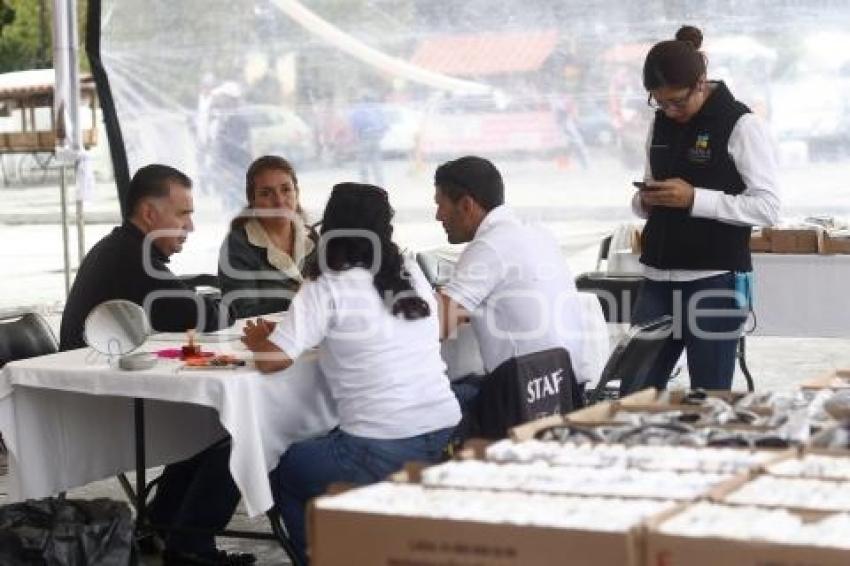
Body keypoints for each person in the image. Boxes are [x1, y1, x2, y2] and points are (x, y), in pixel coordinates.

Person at [241, 183, 460, 565]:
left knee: (287, 471)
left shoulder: (326, 283)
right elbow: (437, 327)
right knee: (332, 444)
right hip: (446, 431)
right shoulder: (408, 271)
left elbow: (274, 359)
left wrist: (261, 340)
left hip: (381, 445)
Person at [59, 164, 253, 566]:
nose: (191, 226)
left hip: (114, 390)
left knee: (214, 420)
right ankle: (189, 547)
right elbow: (201, 316)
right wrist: (226, 301)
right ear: (149, 214)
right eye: (183, 214)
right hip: (98, 405)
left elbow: (183, 304)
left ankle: (166, 528)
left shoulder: (127, 249)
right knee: (243, 426)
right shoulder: (130, 259)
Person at [630, 25, 780, 391]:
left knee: (709, 396)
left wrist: (696, 199)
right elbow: (648, 185)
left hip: (714, 281)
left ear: (701, 82)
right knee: (633, 391)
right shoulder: (661, 122)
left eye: (678, 101)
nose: (669, 110)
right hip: (657, 279)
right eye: (659, 102)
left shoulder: (740, 124)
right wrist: (643, 200)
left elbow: (768, 207)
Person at [433, 156, 591, 424]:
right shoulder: (537, 233)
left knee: (424, 405)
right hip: (567, 390)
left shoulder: (489, 246)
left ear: (467, 204)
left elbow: (437, 325)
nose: (437, 216)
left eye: (440, 205)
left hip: (525, 399)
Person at [218, 155, 315, 318]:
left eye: (286, 189)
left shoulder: (311, 237)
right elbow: (241, 312)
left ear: (296, 192)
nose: (279, 201)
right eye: (266, 193)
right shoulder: (238, 245)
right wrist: (296, 299)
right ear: (252, 200)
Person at [348, 92, 388, 185]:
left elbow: (355, 124)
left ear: (363, 99)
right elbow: (385, 125)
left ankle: (365, 183)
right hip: (376, 137)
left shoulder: (359, 109)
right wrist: (380, 134)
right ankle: (380, 182)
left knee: (363, 162)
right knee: (376, 160)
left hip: (364, 137)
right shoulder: (377, 109)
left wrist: (356, 136)